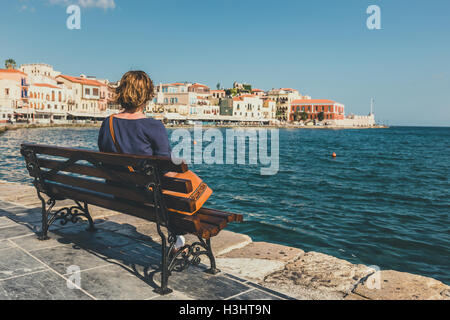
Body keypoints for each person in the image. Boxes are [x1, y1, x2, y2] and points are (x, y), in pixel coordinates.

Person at [98, 70, 185, 251]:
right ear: (147, 95)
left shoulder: (108, 123)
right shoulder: (153, 126)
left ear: (121, 92)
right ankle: (177, 237)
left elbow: (103, 154)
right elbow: (165, 169)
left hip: (116, 191)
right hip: (144, 197)